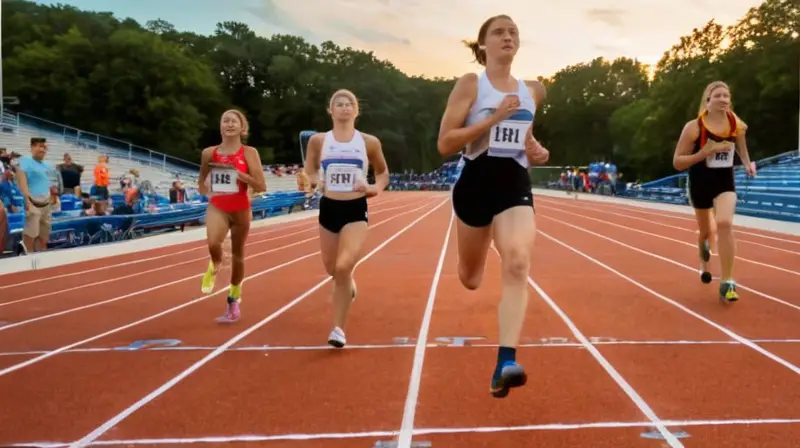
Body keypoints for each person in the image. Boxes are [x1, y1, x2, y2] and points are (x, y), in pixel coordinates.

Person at [436, 15, 550, 398]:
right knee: (471, 278)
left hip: (514, 182)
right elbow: (446, 143)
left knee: (518, 261)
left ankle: (506, 360)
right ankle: (475, 249)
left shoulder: (532, 90)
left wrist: (538, 151)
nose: (507, 36)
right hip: (475, 182)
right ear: (482, 45)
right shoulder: (472, 84)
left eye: (513, 31)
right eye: (498, 32)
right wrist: (492, 119)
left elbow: (527, 141)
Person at [302, 89, 389, 348]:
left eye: (349, 103)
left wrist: (375, 188)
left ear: (356, 110)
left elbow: (383, 173)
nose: (344, 107)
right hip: (329, 209)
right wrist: (313, 180)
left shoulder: (369, 142)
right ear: (330, 110)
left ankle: (338, 329)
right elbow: (310, 168)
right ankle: (347, 285)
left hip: (355, 211)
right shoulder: (318, 141)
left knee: (343, 266)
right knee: (332, 269)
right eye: (338, 103)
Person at [672, 81, 755, 302]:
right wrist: (705, 152)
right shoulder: (694, 128)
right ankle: (703, 259)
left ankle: (728, 281)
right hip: (700, 184)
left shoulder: (736, 124)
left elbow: (743, 150)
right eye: (718, 96)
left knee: (725, 223)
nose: (723, 99)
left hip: (724, 183)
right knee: (706, 232)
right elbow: (678, 163)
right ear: (708, 101)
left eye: (726, 96)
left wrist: (748, 164)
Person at [198, 109, 266, 323]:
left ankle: (233, 300)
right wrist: (206, 185)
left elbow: (261, 185)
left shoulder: (249, 152)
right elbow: (201, 186)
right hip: (218, 206)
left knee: (238, 255)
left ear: (241, 127)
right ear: (220, 126)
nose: (229, 124)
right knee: (213, 242)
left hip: (240, 207)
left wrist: (241, 175)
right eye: (225, 120)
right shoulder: (209, 153)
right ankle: (215, 262)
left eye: (233, 121)